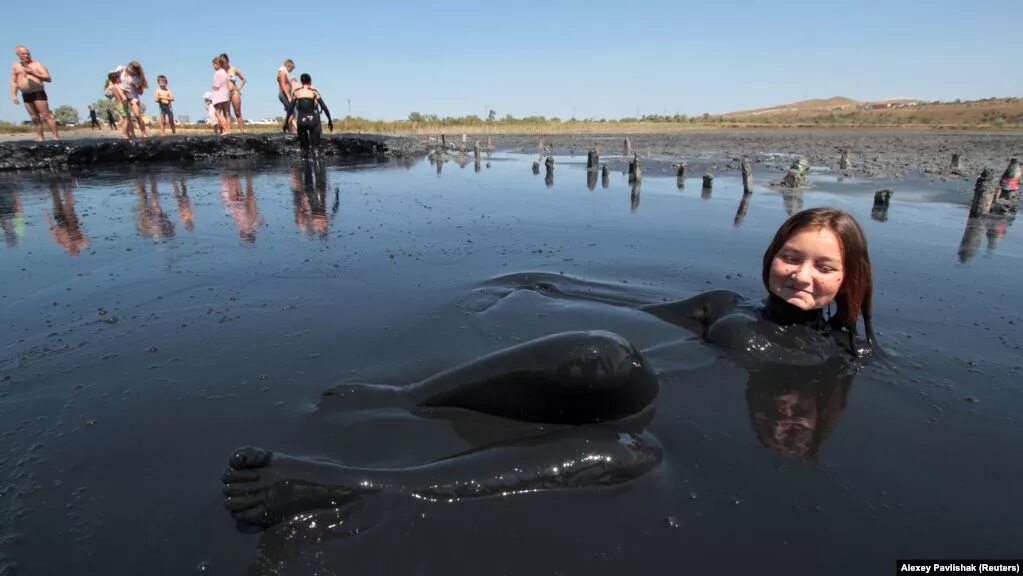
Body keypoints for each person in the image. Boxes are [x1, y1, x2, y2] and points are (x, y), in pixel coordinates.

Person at [222, 207, 876, 528]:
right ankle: (405, 397)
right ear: (770, 255)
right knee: (604, 351)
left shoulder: (844, 353)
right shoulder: (723, 305)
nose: (799, 274)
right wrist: (554, 286)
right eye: (790, 256)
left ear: (848, 280)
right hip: (634, 386)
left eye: (823, 266)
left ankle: (359, 485)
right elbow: (641, 305)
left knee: (630, 454)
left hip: (657, 427)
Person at [9, 45, 60, 141]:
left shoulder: (37, 65)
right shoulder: (15, 66)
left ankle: (56, 137)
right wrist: (14, 95)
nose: (26, 55)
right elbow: (14, 81)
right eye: (23, 54)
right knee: (34, 117)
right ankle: (40, 137)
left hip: (38, 92)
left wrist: (33, 73)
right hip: (26, 94)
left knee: (46, 115)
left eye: (28, 53)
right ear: (18, 55)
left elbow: (48, 78)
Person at [283, 73, 333, 157]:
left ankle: (305, 167)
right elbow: (324, 107)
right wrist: (330, 121)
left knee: (304, 149)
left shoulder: (296, 92)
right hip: (313, 121)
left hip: (301, 122)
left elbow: (290, 109)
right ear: (310, 81)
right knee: (315, 149)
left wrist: (286, 123)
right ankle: (317, 164)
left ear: (301, 82)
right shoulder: (314, 92)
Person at [119, 61, 149, 137]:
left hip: (133, 96)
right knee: (126, 116)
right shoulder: (121, 69)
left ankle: (144, 133)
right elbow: (112, 79)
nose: (130, 71)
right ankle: (131, 135)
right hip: (122, 95)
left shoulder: (138, 77)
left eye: (133, 71)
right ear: (128, 66)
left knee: (137, 114)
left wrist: (134, 85)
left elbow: (140, 92)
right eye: (130, 69)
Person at [219, 53, 246, 133]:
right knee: (227, 114)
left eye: (225, 62)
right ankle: (228, 132)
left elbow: (243, 79)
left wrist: (239, 89)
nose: (224, 64)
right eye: (222, 62)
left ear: (228, 61)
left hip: (234, 92)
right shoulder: (220, 71)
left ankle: (242, 132)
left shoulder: (233, 69)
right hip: (225, 93)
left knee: (238, 112)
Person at [104, 70, 134, 139]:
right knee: (126, 120)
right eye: (120, 78)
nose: (121, 79)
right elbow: (121, 94)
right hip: (122, 105)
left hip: (121, 105)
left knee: (128, 119)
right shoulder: (117, 86)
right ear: (117, 79)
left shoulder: (114, 86)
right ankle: (124, 134)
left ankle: (127, 133)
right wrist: (125, 98)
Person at [211, 56, 231, 134]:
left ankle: (226, 129)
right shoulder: (225, 72)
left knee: (217, 113)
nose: (213, 67)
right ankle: (228, 129)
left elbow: (216, 86)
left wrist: (213, 87)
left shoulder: (217, 73)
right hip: (226, 94)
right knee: (226, 112)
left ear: (217, 64)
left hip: (219, 95)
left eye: (214, 65)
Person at [276, 59, 295, 132]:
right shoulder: (282, 72)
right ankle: (284, 128)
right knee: (293, 112)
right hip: (284, 94)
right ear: (289, 66)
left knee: (289, 112)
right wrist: (288, 96)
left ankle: (290, 130)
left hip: (285, 95)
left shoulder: (284, 72)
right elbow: (283, 85)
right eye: (292, 69)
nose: (291, 71)